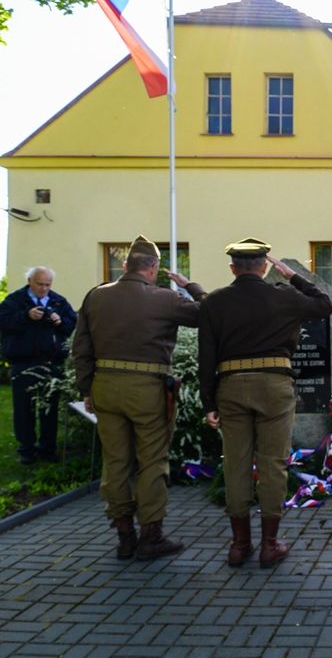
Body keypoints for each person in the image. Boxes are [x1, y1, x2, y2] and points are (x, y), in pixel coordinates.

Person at [198, 239, 332, 568]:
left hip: (230, 387)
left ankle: (239, 544)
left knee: (236, 464)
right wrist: (293, 276)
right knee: (273, 464)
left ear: (233, 268)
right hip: (274, 385)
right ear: (264, 267)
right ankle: (270, 545)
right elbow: (324, 305)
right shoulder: (284, 295)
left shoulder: (214, 302)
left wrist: (208, 402)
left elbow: (207, 356)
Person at [73, 235, 206, 561]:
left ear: (125, 266)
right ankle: (151, 536)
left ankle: (124, 536)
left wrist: (87, 389)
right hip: (147, 389)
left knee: (115, 462)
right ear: (153, 268)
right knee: (151, 462)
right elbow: (207, 314)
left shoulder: (96, 296)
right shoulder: (165, 299)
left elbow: (82, 348)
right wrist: (191, 287)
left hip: (105, 387)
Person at [0, 267, 78, 464]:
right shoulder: (15, 300)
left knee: (49, 409)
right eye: (40, 284)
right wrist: (26, 316)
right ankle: (26, 450)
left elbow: (72, 325)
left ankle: (47, 449)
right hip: (23, 362)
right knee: (23, 409)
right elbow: (3, 323)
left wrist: (60, 321)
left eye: (47, 285)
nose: (44, 289)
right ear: (29, 281)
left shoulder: (58, 301)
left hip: (51, 362)